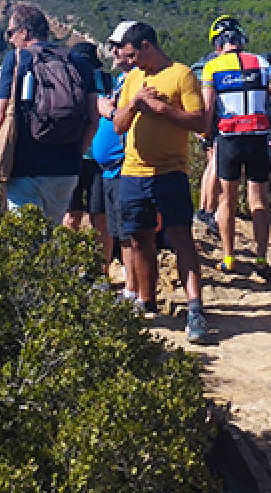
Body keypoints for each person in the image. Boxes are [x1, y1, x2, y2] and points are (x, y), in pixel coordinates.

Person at [112, 22, 211, 344]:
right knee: (139, 240)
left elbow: (200, 122)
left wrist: (161, 108)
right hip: (132, 173)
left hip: (170, 172)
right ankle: (146, 300)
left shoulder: (182, 75)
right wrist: (135, 103)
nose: (128, 61)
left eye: (131, 54)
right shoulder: (132, 79)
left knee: (181, 237)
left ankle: (195, 307)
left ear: (146, 45)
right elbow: (118, 126)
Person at [0, 2, 98, 223]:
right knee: (54, 237)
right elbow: (93, 120)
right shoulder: (78, 62)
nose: (10, 39)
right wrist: (76, 154)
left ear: (24, 32)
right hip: (67, 170)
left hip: (26, 168)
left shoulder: (17, 59)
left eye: (11, 33)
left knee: (27, 244)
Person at [200, 15, 271, 278]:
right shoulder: (261, 62)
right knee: (258, 200)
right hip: (258, 137)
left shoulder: (212, 67)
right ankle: (261, 259)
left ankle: (229, 257)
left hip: (230, 139)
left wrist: (206, 134)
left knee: (227, 199)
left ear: (218, 43)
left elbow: (208, 108)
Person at [95, 22, 139, 301]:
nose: (113, 51)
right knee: (121, 234)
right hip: (111, 171)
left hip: (126, 169)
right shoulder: (121, 81)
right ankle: (130, 289)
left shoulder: (136, 80)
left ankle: (135, 290)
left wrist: (108, 110)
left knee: (131, 235)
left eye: (118, 45)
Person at [63, 42, 114, 260]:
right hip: (72, 156)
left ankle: (100, 271)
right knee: (70, 216)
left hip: (98, 160)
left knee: (99, 217)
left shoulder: (107, 81)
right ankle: (67, 267)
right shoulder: (64, 83)